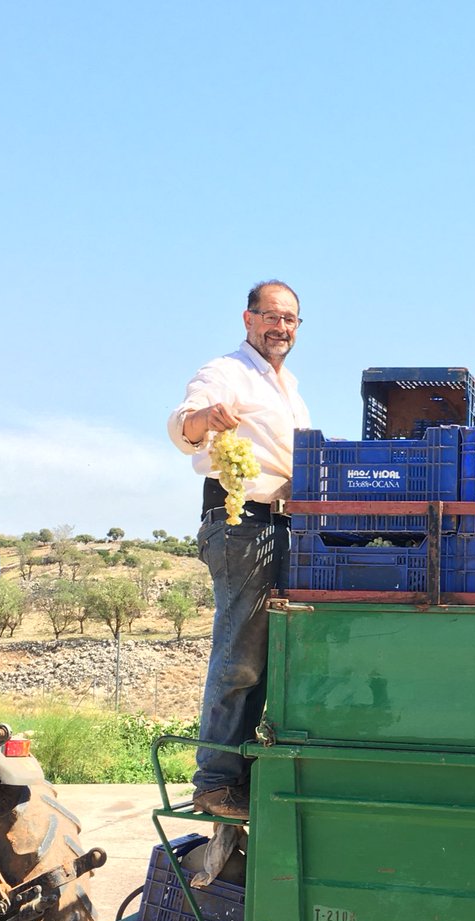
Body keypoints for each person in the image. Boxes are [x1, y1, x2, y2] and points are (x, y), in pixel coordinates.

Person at [167, 281, 312, 819]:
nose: (281, 328)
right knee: (241, 654)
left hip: (281, 523)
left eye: (290, 319)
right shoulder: (226, 372)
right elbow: (183, 424)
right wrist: (206, 419)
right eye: (271, 316)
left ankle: (242, 775)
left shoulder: (288, 387)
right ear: (248, 319)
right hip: (240, 522)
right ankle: (215, 780)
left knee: (267, 656)